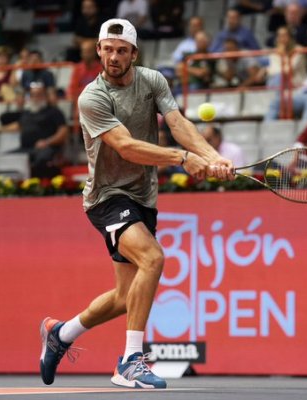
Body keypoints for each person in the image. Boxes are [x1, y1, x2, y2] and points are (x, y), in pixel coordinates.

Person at [38, 18, 233, 390]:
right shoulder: (91, 97)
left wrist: (212, 157)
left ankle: (60, 334)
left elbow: (177, 123)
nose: (113, 56)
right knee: (153, 258)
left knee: (127, 297)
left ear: (133, 54)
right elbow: (126, 147)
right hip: (106, 197)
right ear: (98, 50)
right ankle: (130, 360)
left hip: (143, 196)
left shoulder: (152, 80)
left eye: (121, 50)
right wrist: (181, 160)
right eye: (107, 49)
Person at [0, 82, 68, 178]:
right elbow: (17, 126)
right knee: (6, 158)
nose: (35, 98)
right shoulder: (27, 113)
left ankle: (39, 186)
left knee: (42, 158)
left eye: (39, 95)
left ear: (45, 96)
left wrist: (47, 142)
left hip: (46, 147)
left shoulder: (54, 112)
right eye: (32, 95)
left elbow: (63, 132)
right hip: (26, 148)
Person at [261, 26, 307, 120]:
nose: (282, 39)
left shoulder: (299, 50)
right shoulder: (274, 53)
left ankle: (277, 105)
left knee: (278, 77)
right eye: (279, 36)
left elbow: (288, 71)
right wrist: (270, 70)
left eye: (284, 35)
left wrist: (282, 56)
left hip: (296, 87)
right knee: (276, 78)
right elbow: (275, 71)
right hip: (280, 87)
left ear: (291, 38)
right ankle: (278, 105)